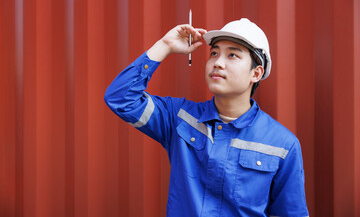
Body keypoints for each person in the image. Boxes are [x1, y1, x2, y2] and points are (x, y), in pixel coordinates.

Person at [104, 18, 309, 216]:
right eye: (214, 53)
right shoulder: (180, 118)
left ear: (256, 73)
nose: (217, 63)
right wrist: (164, 45)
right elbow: (120, 98)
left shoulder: (283, 145)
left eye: (232, 56)